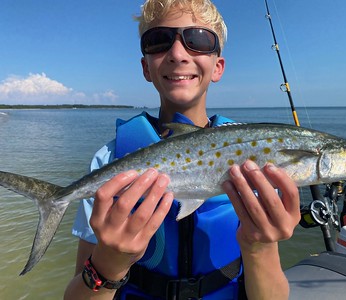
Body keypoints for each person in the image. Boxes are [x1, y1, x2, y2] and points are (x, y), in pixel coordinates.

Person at [64, 0, 300, 299]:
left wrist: (259, 247)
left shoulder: (255, 157)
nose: (178, 54)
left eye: (198, 40)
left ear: (218, 67)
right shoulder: (109, 160)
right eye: (158, 41)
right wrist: (109, 262)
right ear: (145, 67)